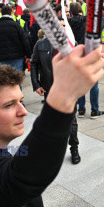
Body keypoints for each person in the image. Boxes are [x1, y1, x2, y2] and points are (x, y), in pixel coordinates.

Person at [0, 44, 104, 206]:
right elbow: (22, 180)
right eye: (9, 105)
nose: (23, 111)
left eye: (21, 101)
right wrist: (64, 96)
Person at [30, 25, 80, 164]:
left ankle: (74, 148)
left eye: (64, 25)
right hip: (50, 89)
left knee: (71, 121)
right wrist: (36, 84)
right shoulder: (41, 44)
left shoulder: (72, 43)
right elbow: (33, 63)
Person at [0, 5, 31, 72]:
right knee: (16, 79)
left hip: (0, 58)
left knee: (5, 80)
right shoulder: (16, 25)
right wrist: (28, 55)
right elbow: (24, 41)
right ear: (11, 13)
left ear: (1, 13)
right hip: (17, 57)